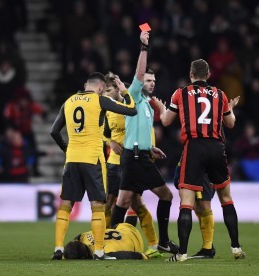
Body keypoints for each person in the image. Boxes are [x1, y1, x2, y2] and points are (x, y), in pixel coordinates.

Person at [154, 59, 245, 261]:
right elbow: (230, 124)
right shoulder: (220, 94)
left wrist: (161, 108)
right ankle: (236, 247)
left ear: (191, 74)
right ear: (209, 74)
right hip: (216, 147)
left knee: (186, 203)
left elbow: (166, 121)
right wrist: (229, 108)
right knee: (226, 199)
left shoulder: (181, 93)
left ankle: (182, 253)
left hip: (194, 147)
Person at [50, 71, 137, 260]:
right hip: (93, 159)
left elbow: (54, 131)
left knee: (66, 204)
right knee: (98, 205)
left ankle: (58, 248)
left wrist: (67, 149)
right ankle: (99, 251)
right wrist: (124, 92)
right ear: (100, 88)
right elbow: (131, 109)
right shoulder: (100, 100)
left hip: (72, 159)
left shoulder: (69, 101)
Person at [109, 32, 178, 255]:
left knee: (123, 201)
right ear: (140, 83)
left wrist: (150, 146)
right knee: (165, 196)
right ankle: (164, 242)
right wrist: (144, 47)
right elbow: (139, 72)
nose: (151, 83)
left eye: (153, 81)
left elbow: (139, 130)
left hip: (138, 155)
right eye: (148, 80)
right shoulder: (135, 96)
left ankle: (111, 242)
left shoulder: (147, 105)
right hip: (135, 158)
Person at [103, 72, 162, 259]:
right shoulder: (107, 110)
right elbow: (102, 133)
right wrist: (110, 142)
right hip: (113, 163)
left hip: (132, 161)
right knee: (108, 204)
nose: (105, 93)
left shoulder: (131, 107)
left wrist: (150, 149)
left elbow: (147, 130)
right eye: (105, 90)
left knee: (136, 204)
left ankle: (153, 245)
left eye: (109, 90)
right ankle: (106, 242)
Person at [174, 162, 216, 259]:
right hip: (191, 165)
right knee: (197, 207)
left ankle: (207, 248)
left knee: (202, 206)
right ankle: (208, 248)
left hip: (201, 166)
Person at [64, 223, 150, 260]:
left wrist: (142, 256)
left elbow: (126, 255)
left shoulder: (105, 253)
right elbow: (76, 239)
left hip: (137, 244)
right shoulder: (84, 236)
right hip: (124, 227)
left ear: (84, 257)